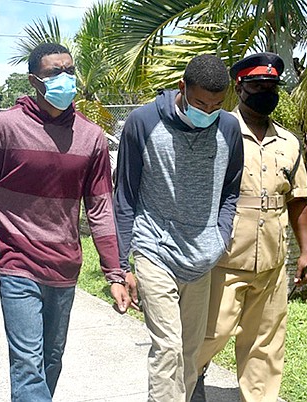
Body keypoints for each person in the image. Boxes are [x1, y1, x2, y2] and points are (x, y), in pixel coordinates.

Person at [0, 43, 133, 402]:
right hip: (17, 263)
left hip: (65, 266)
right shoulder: (5, 127)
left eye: (69, 71)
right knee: (27, 364)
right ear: (34, 81)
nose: (64, 79)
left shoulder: (92, 137)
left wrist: (114, 272)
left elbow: (100, 208)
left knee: (51, 360)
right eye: (54, 73)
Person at [114, 54, 244, 401]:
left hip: (202, 255)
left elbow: (231, 190)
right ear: (182, 88)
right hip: (153, 248)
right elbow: (125, 194)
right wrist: (122, 263)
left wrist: (221, 234)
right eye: (201, 102)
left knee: (190, 352)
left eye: (218, 104)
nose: (209, 110)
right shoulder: (142, 122)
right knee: (168, 347)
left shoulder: (229, 128)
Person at [191, 53, 307, 402]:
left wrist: (304, 252)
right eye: (258, 85)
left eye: (272, 86)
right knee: (210, 334)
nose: (266, 92)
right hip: (224, 259)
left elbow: (298, 198)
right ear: (240, 87)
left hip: (272, 264)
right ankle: (187, 381)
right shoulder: (217, 131)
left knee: (266, 344)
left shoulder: (288, 142)